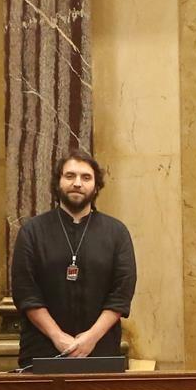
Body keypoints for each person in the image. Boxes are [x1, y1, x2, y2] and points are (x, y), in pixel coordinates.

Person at [11, 149, 137, 368]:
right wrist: (58, 337)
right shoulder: (32, 231)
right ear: (57, 182)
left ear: (96, 186)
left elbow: (121, 293)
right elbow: (26, 293)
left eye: (86, 177)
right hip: (42, 351)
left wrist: (90, 338)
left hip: (100, 350)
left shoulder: (116, 232)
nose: (77, 183)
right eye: (70, 176)